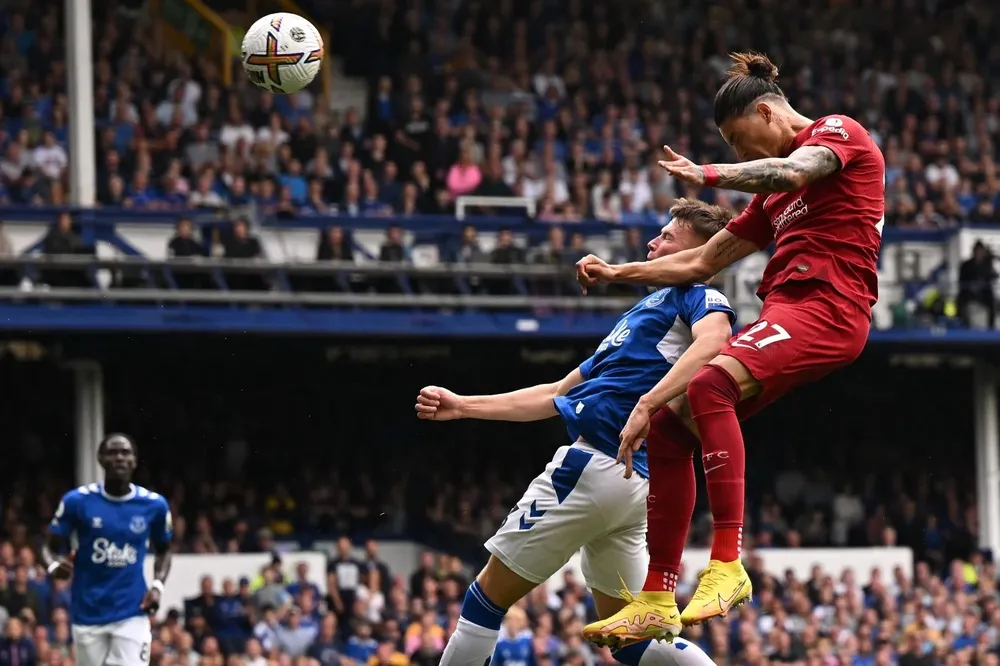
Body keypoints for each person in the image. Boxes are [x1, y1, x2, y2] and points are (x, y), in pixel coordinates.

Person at [577, 51, 884, 640]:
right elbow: (699, 260)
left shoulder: (837, 134)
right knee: (670, 426)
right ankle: (658, 596)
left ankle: (726, 562)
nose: (745, 156)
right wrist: (617, 274)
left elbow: (793, 172)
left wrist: (710, 173)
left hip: (829, 310)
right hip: (789, 310)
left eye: (743, 142)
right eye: (734, 150)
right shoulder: (771, 200)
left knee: (709, 383)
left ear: (768, 112)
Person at [414, 199, 737, 664]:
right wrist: (464, 405)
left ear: (702, 252)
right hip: (635, 485)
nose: (654, 241)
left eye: (668, 236)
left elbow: (714, 342)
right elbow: (555, 394)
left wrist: (649, 403)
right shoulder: (646, 314)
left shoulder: (700, 297)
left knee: (485, 599)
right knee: (632, 641)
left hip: (596, 465)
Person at [43, 433, 173, 666]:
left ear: (134, 460)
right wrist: (54, 566)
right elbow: (48, 547)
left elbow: (164, 549)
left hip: (132, 610)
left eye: (126, 453)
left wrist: (157, 586)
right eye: (112, 452)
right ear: (100, 459)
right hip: (87, 612)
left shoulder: (154, 505)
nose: (119, 458)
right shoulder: (77, 501)